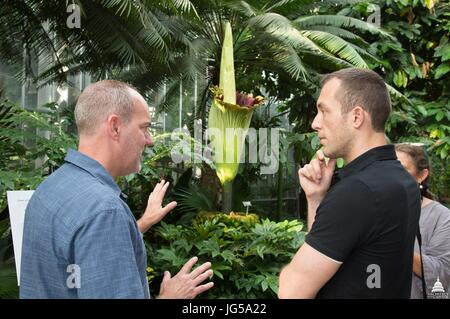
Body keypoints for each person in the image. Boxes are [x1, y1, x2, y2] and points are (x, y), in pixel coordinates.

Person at [20, 80, 214, 299]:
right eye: (144, 128)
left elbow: (76, 258)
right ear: (114, 126)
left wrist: (141, 223)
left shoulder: (51, 187)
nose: (149, 140)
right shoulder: (104, 210)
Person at [278, 68, 421, 298]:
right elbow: (335, 247)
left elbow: (291, 291)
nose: (315, 123)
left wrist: (287, 276)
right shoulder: (402, 179)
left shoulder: (359, 191)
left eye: (324, 111)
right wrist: (316, 198)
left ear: (356, 117)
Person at [395, 143, 450, 298]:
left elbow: (443, 273)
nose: (393, 176)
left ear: (421, 175)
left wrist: (397, 245)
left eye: (401, 170)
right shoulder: (371, 210)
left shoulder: (442, 217)